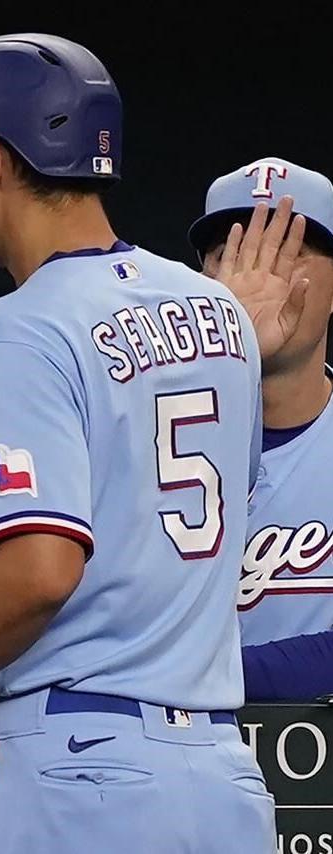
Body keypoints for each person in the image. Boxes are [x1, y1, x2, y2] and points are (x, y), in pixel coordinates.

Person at [0, 33, 283, 851]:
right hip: (219, 778)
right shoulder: (221, 313)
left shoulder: (18, 329)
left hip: (69, 773)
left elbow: (37, 571)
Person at [189, 158, 333, 700]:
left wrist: (185, 678)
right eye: (233, 254)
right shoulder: (141, 442)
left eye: (286, 250)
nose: (258, 276)